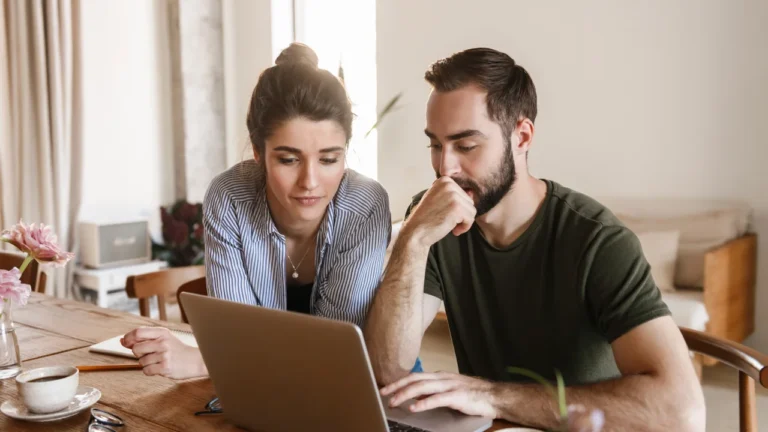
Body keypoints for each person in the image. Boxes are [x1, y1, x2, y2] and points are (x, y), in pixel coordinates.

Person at [363, 48, 706, 431]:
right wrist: (412, 238)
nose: (445, 168)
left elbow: (682, 413)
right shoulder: (433, 221)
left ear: (522, 136)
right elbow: (387, 369)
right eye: (435, 144)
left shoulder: (598, 241)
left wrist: (492, 396)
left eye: (466, 146)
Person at [121, 42, 399, 379]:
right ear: (257, 151)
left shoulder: (365, 206)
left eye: (328, 159)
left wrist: (202, 362)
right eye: (288, 159)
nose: (309, 182)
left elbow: (333, 351)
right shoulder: (230, 197)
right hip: (264, 387)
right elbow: (238, 334)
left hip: (361, 383)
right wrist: (228, 355)